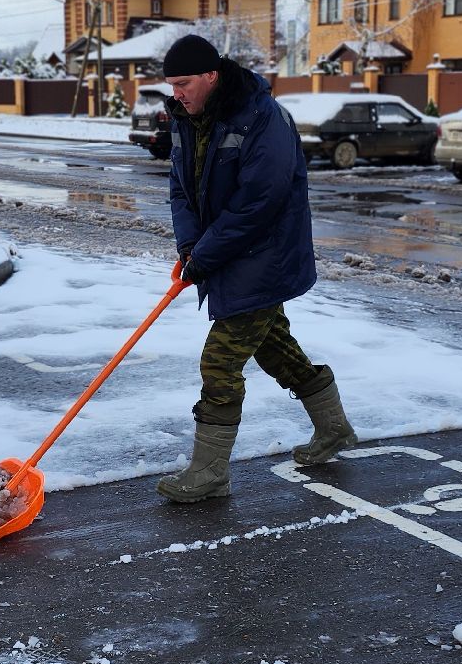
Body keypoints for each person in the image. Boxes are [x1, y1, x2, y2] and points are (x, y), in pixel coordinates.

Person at [152, 34, 356, 502]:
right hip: (226, 254)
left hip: (267, 256)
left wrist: (205, 255)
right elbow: (180, 189)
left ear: (211, 75)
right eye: (172, 85)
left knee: (220, 361)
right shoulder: (186, 119)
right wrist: (190, 246)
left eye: (184, 84)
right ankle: (334, 428)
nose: (176, 94)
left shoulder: (263, 117)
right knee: (275, 349)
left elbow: (260, 202)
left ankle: (210, 472)